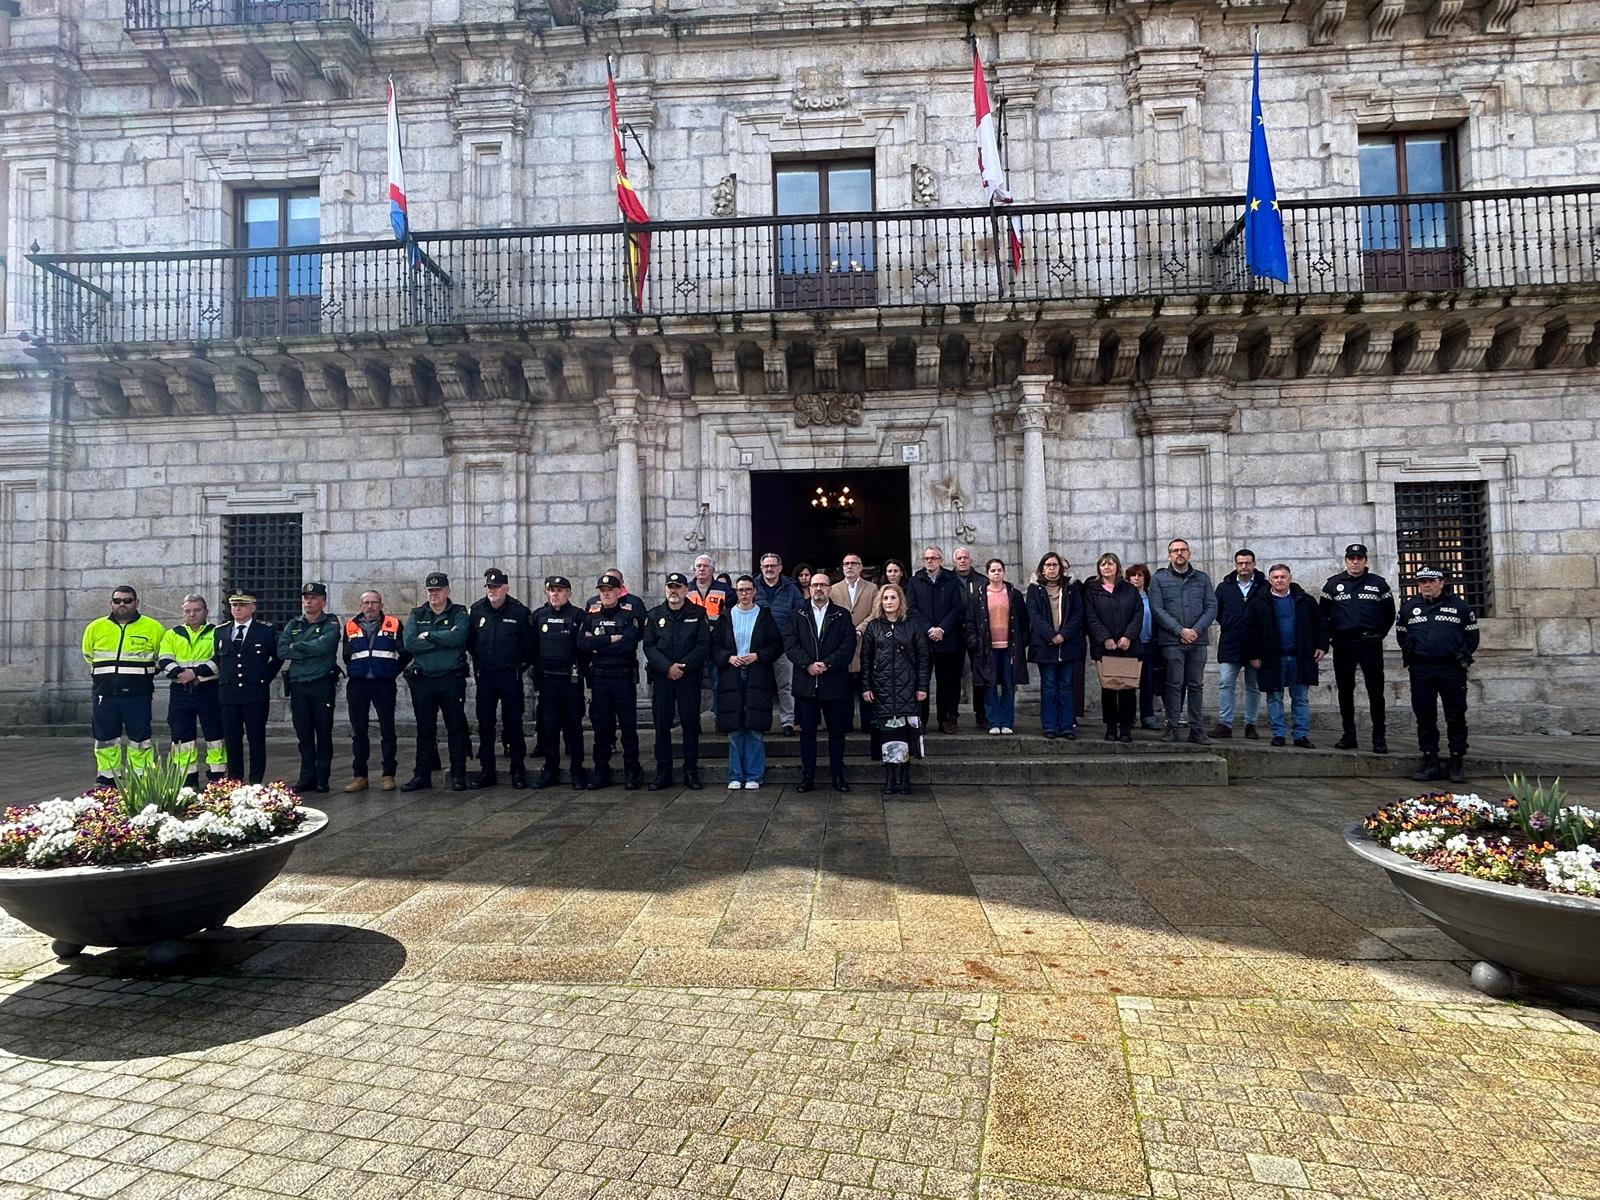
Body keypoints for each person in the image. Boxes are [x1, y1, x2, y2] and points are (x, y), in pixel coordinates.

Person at [1396, 566, 1479, 784]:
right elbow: (1402, 636)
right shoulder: (1409, 608)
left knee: (1456, 715)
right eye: (1422, 581)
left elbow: (1472, 637)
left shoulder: (1459, 607)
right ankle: (1430, 760)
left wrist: (1459, 656)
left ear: (1441, 583)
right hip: (1422, 670)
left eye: (1431, 581)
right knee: (1425, 716)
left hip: (1451, 669)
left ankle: (1456, 761)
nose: (1426, 585)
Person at [82, 585, 166, 787]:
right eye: (117, 600)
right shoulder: (95, 627)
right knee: (105, 738)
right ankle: (107, 777)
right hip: (105, 693)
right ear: (110, 603)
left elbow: (162, 657)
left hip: (138, 694)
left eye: (127, 600)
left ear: (136, 603)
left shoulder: (153, 628)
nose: (122, 604)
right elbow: (88, 655)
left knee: (140, 738)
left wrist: (142, 675)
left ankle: (142, 777)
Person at [785, 571, 856, 793]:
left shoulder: (842, 615)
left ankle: (838, 774)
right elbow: (790, 643)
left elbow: (848, 645)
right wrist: (808, 664)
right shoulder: (797, 614)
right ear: (808, 588)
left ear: (829, 589)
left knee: (837, 732)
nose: (818, 589)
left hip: (834, 682)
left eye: (823, 585)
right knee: (807, 733)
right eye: (815, 585)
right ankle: (808, 776)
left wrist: (827, 664)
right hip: (806, 683)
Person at [1321, 543, 1396, 754]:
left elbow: (1389, 614)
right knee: (1345, 691)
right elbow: (1323, 616)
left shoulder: (1378, 584)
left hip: (1370, 644)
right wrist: (1331, 638)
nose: (1355, 562)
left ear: (1365, 561)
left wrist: (1377, 634)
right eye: (1351, 558)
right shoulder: (1333, 585)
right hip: (1344, 644)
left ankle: (1379, 738)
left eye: (1359, 558)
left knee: (1375, 691)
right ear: (1345, 561)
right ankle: (1349, 735)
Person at [401, 571, 471, 792]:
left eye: (438, 590)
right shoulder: (416, 614)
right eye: (430, 590)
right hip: (424, 681)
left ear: (447, 591)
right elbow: (410, 643)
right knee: (425, 730)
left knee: (456, 727)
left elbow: (459, 638)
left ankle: (459, 775)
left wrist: (429, 636)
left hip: (450, 678)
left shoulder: (459, 613)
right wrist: (443, 638)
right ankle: (421, 775)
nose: (434, 594)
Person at [712, 575, 783, 789]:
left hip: (756, 675)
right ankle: (735, 775)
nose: (744, 594)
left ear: (754, 592)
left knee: (753, 728)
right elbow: (714, 647)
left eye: (748, 590)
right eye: (741, 590)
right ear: (736, 591)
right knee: (734, 728)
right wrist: (728, 657)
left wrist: (758, 656)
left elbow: (776, 645)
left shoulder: (765, 615)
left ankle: (754, 775)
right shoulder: (725, 617)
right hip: (731, 676)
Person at [467, 567, 534, 789]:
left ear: (506, 588)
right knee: (486, 726)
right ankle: (487, 771)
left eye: (496, 587)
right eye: (489, 587)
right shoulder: (477, 611)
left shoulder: (519, 612)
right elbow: (471, 643)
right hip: (485, 677)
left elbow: (529, 648)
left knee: (513, 724)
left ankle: (518, 771)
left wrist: (516, 667)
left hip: (509, 676)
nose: (492, 591)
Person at [860, 584, 930, 796]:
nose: (889, 601)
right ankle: (890, 777)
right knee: (889, 734)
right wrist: (866, 686)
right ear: (880, 602)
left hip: (907, 688)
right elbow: (866, 659)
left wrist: (922, 686)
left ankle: (905, 776)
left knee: (906, 733)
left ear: (900, 601)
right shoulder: (873, 627)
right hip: (882, 689)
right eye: (885, 598)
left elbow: (923, 658)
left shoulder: (912, 626)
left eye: (893, 598)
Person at [1247, 564, 1327, 748]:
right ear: (1269, 580)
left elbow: (1320, 623)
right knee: (1274, 698)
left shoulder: (1305, 600)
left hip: (1300, 657)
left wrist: (1322, 646)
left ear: (1290, 578)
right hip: (1272, 658)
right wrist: (1254, 655)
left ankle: (1300, 735)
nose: (1279, 580)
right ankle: (1279, 734)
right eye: (1275, 577)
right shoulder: (1259, 602)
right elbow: (1249, 630)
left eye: (1283, 577)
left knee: (1300, 698)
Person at [643, 571, 711, 791]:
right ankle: (663, 772)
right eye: (670, 586)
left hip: (688, 677)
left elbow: (703, 645)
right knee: (662, 725)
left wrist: (682, 667)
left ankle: (690, 770)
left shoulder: (698, 613)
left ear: (686, 590)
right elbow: (649, 646)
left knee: (690, 724)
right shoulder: (654, 615)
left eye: (678, 587)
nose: (673, 590)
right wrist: (667, 667)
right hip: (663, 678)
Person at [1149, 538, 1217, 744]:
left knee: (1196, 685)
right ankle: (1172, 727)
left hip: (1197, 641)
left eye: (1183, 550)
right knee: (1173, 684)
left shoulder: (1202, 578)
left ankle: (1197, 729)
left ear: (1189, 553)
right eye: (1175, 550)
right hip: (1171, 642)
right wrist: (1180, 631)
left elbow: (1211, 606)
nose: (1179, 554)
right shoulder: (1159, 579)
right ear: (1169, 555)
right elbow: (1157, 609)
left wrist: (1195, 630)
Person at [580, 573, 643, 789]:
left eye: (610, 590)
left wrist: (597, 644)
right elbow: (582, 644)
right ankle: (601, 771)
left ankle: (632, 771)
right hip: (599, 679)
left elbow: (627, 645)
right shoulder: (591, 614)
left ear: (619, 591)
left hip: (622, 678)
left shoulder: (628, 615)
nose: (606, 594)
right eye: (602, 591)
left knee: (628, 727)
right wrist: (609, 639)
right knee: (601, 728)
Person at [278, 582, 341, 794]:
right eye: (305, 597)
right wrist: (307, 649)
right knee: (303, 734)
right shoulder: (293, 623)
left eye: (313, 597)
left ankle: (323, 778)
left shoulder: (331, 622)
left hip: (321, 683)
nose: (308, 601)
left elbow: (326, 645)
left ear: (323, 601)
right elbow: (282, 650)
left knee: (323, 732)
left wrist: (298, 646)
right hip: (298, 685)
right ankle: (307, 777)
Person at [342, 590, 407, 793]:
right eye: (366, 603)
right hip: (358, 684)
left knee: (387, 729)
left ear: (380, 604)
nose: (370, 607)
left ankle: (388, 775)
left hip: (384, 684)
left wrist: (392, 671)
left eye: (374, 603)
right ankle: (360, 776)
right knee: (359, 731)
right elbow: (346, 655)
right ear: (361, 605)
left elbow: (405, 652)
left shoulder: (394, 624)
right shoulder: (350, 626)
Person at [158, 593, 224, 787]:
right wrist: (181, 674)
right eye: (188, 611)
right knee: (181, 736)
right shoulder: (172, 634)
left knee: (215, 734)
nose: (192, 614)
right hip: (181, 691)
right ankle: (187, 779)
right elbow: (164, 659)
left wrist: (194, 673)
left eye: (197, 610)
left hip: (209, 689)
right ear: (183, 612)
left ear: (206, 611)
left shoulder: (217, 632)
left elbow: (220, 659)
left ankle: (217, 778)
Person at [216, 591, 281, 784]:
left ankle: (255, 779)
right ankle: (235, 778)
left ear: (252, 608)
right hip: (228, 694)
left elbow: (277, 658)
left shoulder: (265, 631)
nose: (237, 608)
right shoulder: (221, 631)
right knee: (232, 739)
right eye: (234, 605)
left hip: (255, 693)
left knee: (256, 738)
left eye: (242, 605)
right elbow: (219, 659)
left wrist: (263, 677)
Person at [529, 575, 587, 790]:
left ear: (568, 593)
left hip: (570, 681)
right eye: (551, 590)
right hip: (548, 681)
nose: (555, 594)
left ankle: (577, 771)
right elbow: (531, 647)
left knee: (574, 727)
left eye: (560, 590)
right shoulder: (539, 616)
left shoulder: (579, 616)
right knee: (550, 727)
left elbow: (585, 648)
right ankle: (550, 769)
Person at [1083, 554, 1143, 743]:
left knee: (1127, 688)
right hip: (1105, 647)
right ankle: (1110, 726)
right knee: (1108, 688)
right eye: (1102, 564)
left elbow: (1138, 613)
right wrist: (1105, 638)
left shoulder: (1128, 589)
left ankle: (1126, 727)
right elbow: (1090, 616)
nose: (1106, 567)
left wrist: (1128, 636)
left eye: (1110, 564)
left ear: (1117, 567)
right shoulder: (1092, 590)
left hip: (1127, 647)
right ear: (1098, 568)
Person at [966, 558, 1029, 735]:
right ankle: (994, 721)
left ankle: (1007, 722)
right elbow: (970, 621)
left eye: (999, 570)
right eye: (992, 570)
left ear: (1003, 572)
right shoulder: (978, 595)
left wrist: (1022, 641)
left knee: (1009, 685)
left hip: (1009, 648)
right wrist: (974, 642)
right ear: (987, 573)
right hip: (987, 648)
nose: (996, 573)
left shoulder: (1013, 594)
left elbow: (1023, 620)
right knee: (990, 684)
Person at [907, 546, 966, 734]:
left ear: (941, 560)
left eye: (933, 558)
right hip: (922, 641)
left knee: (946, 682)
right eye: (926, 558)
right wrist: (929, 629)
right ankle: (921, 720)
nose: (929, 561)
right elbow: (912, 609)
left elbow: (957, 608)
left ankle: (945, 719)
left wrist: (941, 628)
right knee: (921, 681)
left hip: (946, 640)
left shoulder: (951, 580)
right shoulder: (915, 581)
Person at [1026, 552, 1084, 739]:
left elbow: (1078, 613)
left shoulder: (1071, 587)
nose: (1052, 568)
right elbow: (1034, 615)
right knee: (1049, 686)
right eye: (1048, 565)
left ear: (1061, 567)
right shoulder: (1035, 589)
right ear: (1042, 568)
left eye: (1055, 564)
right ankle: (1050, 725)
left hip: (1067, 645)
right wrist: (1051, 635)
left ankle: (1067, 726)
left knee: (1066, 686)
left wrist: (1063, 634)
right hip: (1045, 645)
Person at [1213, 549, 1268, 740]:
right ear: (1235, 564)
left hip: (1256, 645)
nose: (1244, 566)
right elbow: (1217, 611)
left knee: (1252, 686)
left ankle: (1250, 724)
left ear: (1254, 563)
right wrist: (1230, 623)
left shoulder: (1264, 586)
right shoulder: (1224, 587)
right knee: (1226, 683)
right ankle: (1225, 723)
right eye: (1240, 563)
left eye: (1247, 563)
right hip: (1230, 643)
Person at [753, 552, 804, 734]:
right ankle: (761, 722)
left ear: (780, 568)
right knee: (760, 686)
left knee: (786, 686)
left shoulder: (791, 588)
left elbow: (800, 615)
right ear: (761, 568)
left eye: (773, 566)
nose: (769, 569)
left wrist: (793, 640)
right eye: (766, 566)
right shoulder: (752, 587)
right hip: (759, 647)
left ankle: (787, 722)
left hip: (784, 646)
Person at [830, 552, 879, 731]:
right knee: (844, 686)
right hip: (842, 644)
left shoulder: (872, 588)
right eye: (846, 564)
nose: (849, 566)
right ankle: (846, 723)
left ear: (860, 567)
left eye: (853, 563)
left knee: (865, 684)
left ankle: (868, 723)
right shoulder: (833, 589)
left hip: (865, 641)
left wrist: (860, 628)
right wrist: (846, 632)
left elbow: (875, 612)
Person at [686, 554, 734, 717]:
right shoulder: (686, 590)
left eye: (705, 566)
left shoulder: (725, 591)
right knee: (692, 684)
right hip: (692, 644)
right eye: (698, 566)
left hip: (716, 643)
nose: (701, 569)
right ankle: (693, 721)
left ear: (712, 569)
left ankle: (721, 719)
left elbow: (731, 618)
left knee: (718, 683)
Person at [1125, 564, 1164, 731]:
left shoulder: (1152, 598)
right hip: (1130, 645)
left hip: (1148, 644)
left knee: (1147, 682)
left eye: (1139, 575)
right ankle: (1129, 716)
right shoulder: (1125, 598)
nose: (1136, 578)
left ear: (1145, 578)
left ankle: (1147, 716)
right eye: (1133, 575)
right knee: (1128, 684)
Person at [951, 546, 987, 725]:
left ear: (971, 560)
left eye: (965, 558)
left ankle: (981, 712)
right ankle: (952, 715)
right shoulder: (947, 580)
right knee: (952, 675)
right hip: (954, 633)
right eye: (959, 558)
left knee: (980, 674)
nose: (962, 561)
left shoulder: (982, 581)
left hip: (977, 634)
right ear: (954, 561)